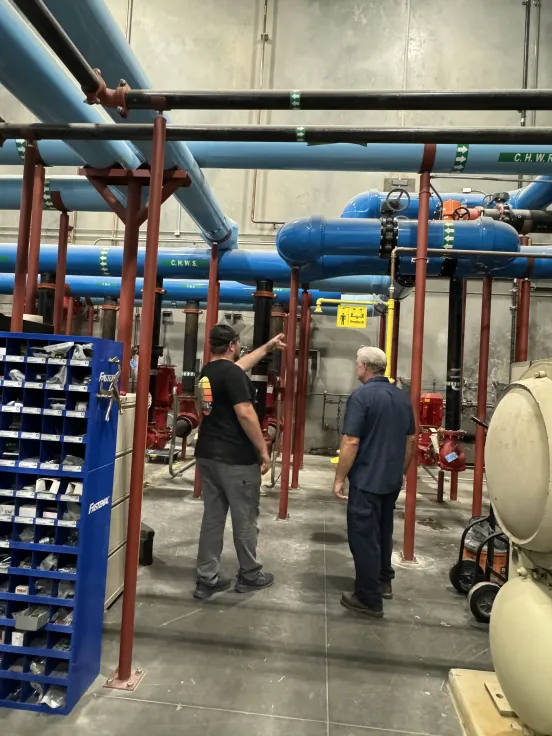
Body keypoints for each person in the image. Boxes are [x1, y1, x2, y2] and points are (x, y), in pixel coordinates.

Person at [193, 323, 286, 600]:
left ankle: (206, 578)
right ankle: (249, 574)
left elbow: (236, 368)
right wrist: (263, 450)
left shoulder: (208, 372)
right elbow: (246, 413)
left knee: (212, 518)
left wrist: (266, 348)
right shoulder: (233, 376)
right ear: (233, 345)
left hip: (208, 455)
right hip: (235, 459)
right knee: (245, 518)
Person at [332, 346, 416, 618]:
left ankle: (368, 598)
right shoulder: (402, 397)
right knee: (383, 530)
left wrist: (339, 478)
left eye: (357, 363)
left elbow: (351, 441)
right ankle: (383, 582)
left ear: (366, 366)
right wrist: (401, 472)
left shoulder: (361, 397)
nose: (355, 367)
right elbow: (412, 439)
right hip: (390, 481)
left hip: (367, 480)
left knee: (363, 537)